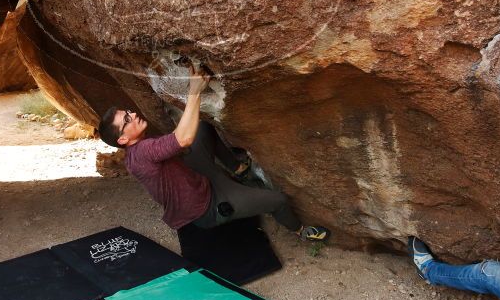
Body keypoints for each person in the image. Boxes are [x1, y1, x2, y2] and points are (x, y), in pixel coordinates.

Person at [98, 65, 330, 241]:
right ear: (123, 139)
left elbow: (185, 139)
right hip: (207, 206)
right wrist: (194, 91)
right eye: (126, 119)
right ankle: (302, 231)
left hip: (196, 178)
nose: (132, 114)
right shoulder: (143, 152)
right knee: (277, 201)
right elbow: (183, 138)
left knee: (204, 129)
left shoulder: (138, 149)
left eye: (127, 111)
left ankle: (239, 169)